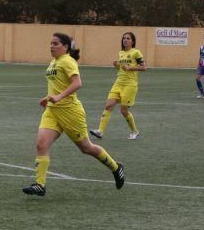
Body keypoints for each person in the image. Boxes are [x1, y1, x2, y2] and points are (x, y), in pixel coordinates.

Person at [23, 33, 125, 196]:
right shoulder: (54, 62)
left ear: (65, 46)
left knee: (86, 148)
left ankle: (116, 167)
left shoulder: (68, 61)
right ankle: (39, 184)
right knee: (41, 144)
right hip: (52, 111)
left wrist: (59, 97)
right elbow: (57, 85)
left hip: (70, 112)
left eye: (55, 43)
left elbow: (77, 83)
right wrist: (48, 97)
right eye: (50, 43)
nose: (51, 46)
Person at [89, 32, 146, 140]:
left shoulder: (136, 52)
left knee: (123, 111)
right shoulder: (121, 53)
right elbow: (122, 68)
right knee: (108, 106)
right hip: (118, 83)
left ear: (132, 41)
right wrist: (116, 65)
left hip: (130, 85)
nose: (125, 40)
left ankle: (135, 131)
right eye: (124, 38)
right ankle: (100, 131)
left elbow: (144, 67)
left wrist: (131, 68)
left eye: (128, 38)